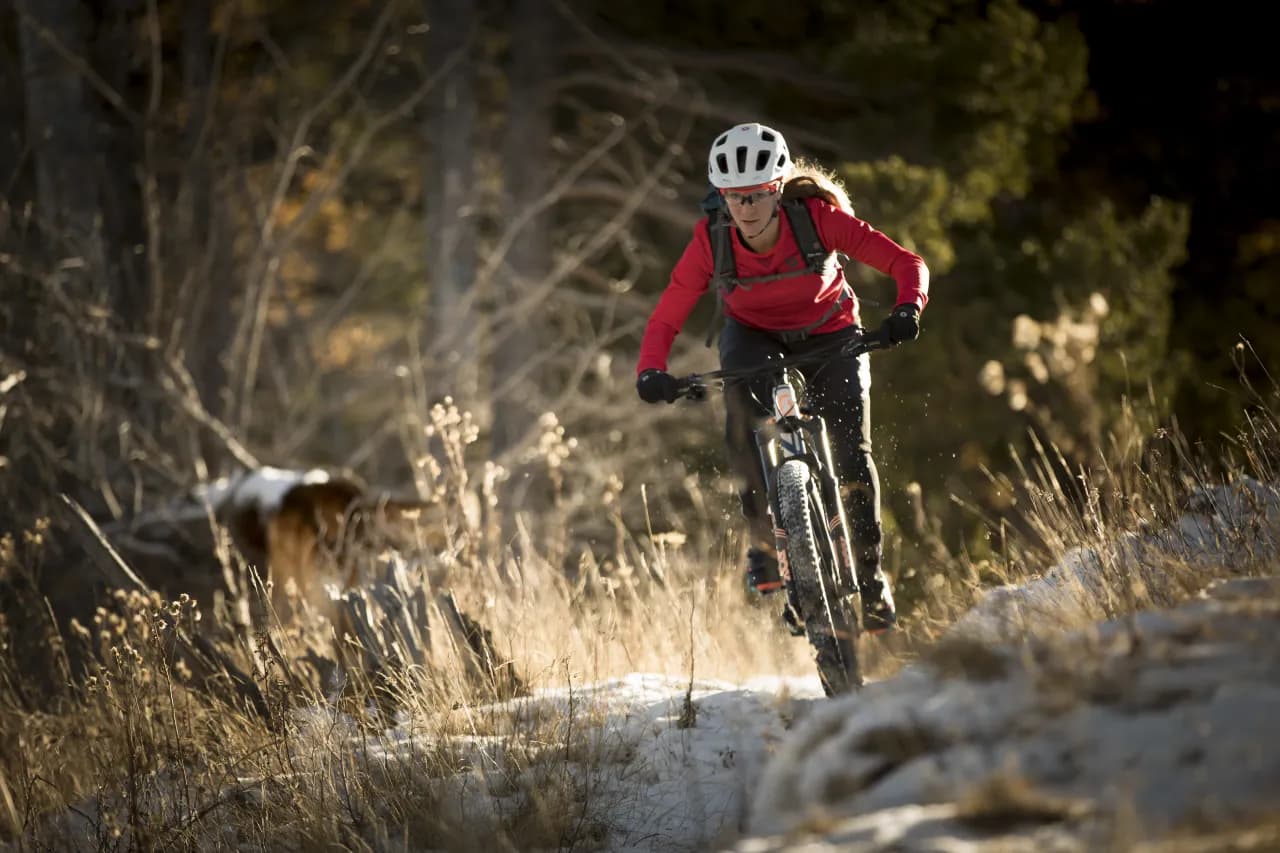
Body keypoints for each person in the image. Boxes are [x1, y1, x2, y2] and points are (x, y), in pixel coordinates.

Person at [633, 122, 929, 633]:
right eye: (734, 197)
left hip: (831, 331)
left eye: (755, 195)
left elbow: (907, 263)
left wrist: (907, 309)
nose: (745, 208)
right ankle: (765, 549)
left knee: (851, 450)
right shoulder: (712, 239)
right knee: (741, 429)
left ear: (777, 190)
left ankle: (870, 574)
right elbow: (667, 315)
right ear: (721, 196)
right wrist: (651, 369)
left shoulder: (817, 220)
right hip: (753, 336)